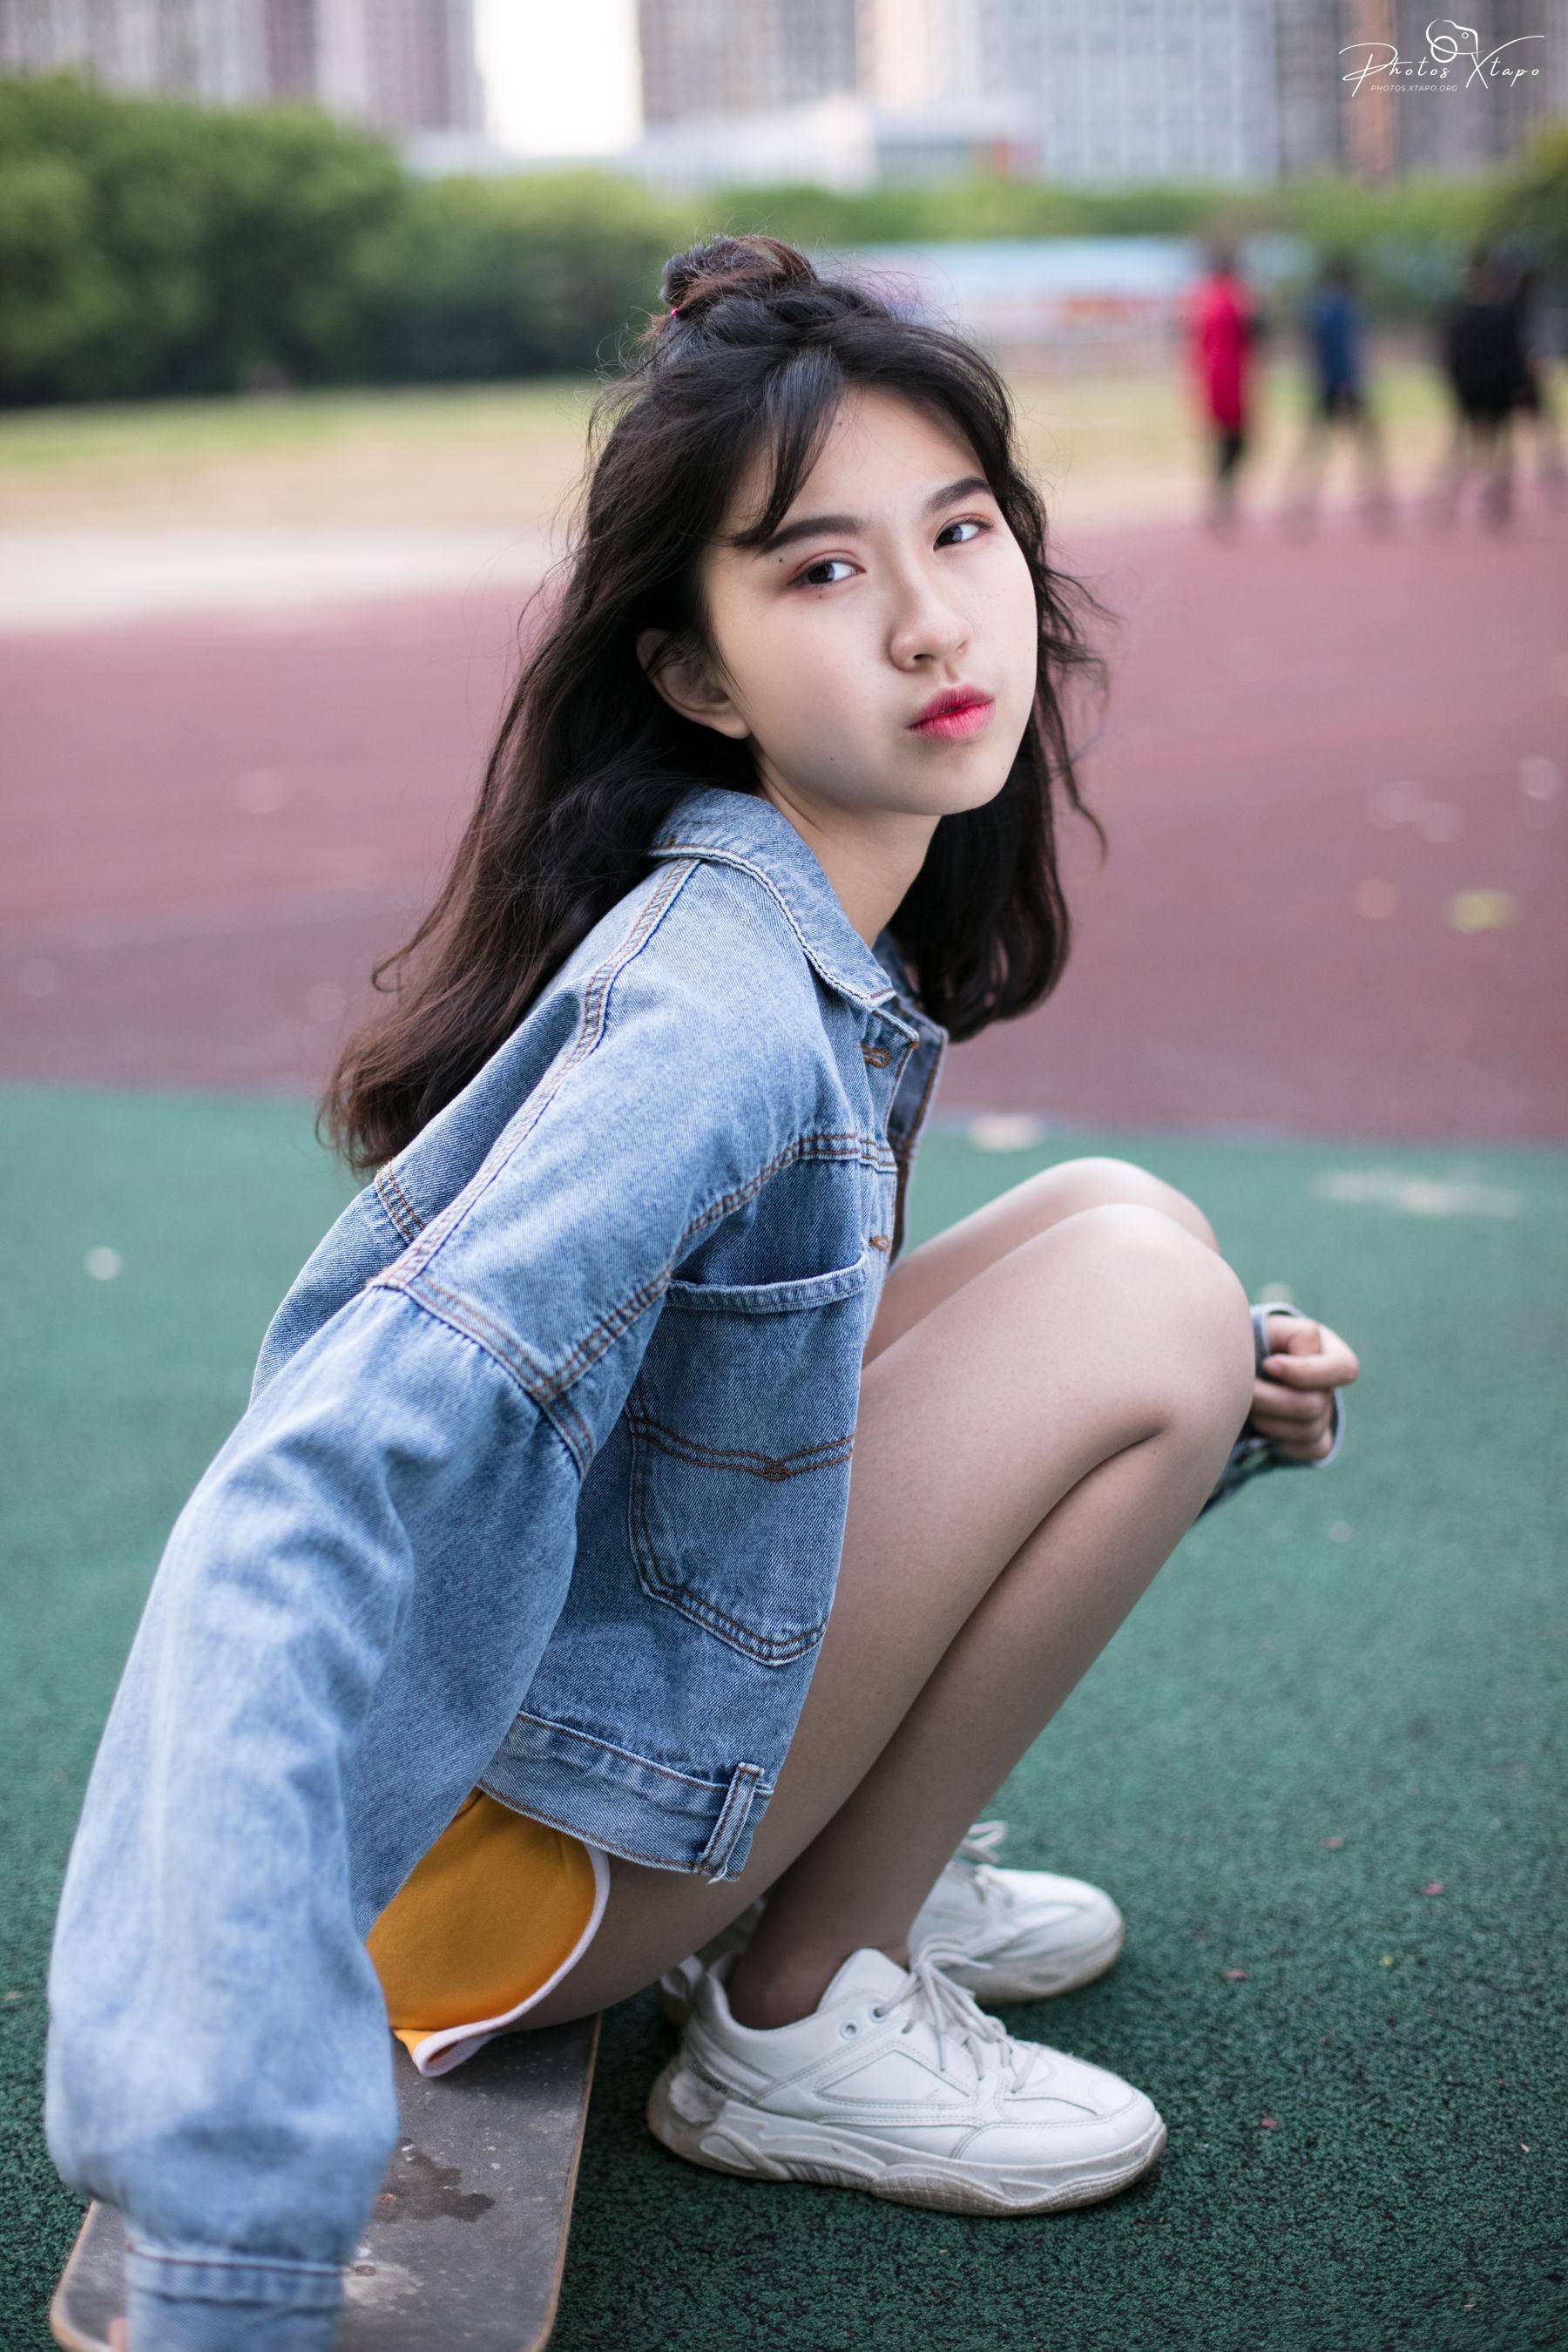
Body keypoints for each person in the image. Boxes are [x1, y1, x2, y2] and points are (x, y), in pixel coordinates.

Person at [46, 233, 1359, 2350]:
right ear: (696, 669)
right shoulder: (716, 1011)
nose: (936, 614)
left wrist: (1206, 1405)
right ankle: (793, 1996)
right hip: (491, 1899)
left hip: (591, 1752)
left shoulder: (799, 936)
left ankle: (844, 1873)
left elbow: (747, 1443)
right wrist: (222, 2196)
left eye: (960, 530)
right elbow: (304, 1497)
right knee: (1140, 1297)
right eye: (822, 570)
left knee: (1135, 1239)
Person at [1279, 251, 1396, 533]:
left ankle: (1300, 506)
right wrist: (1344, 384)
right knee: (1360, 447)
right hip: (1343, 385)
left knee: (1318, 447)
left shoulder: (1319, 305)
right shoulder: (1339, 307)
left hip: (1326, 385)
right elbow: (1343, 352)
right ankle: (1373, 506)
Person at [1428, 245, 1531, 531]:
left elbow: (1511, 354)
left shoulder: (1479, 312)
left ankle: (1493, 503)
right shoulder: (1475, 313)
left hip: (1486, 387)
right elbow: (1453, 354)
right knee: (1473, 446)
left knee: (1493, 447)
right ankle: (1454, 502)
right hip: (1479, 387)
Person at [1186, 240, 1267, 536]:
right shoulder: (1235, 298)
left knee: (1226, 442)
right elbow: (1254, 334)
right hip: (1229, 379)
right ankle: (1223, 493)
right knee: (1236, 442)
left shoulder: (1202, 298)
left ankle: (1222, 494)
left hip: (1211, 377)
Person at [1508, 263, 1568, 508]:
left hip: (1518, 378)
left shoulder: (1518, 309)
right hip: (1521, 378)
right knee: (1536, 427)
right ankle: (1547, 469)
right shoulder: (1522, 312)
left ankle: (1548, 468)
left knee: (1534, 427)